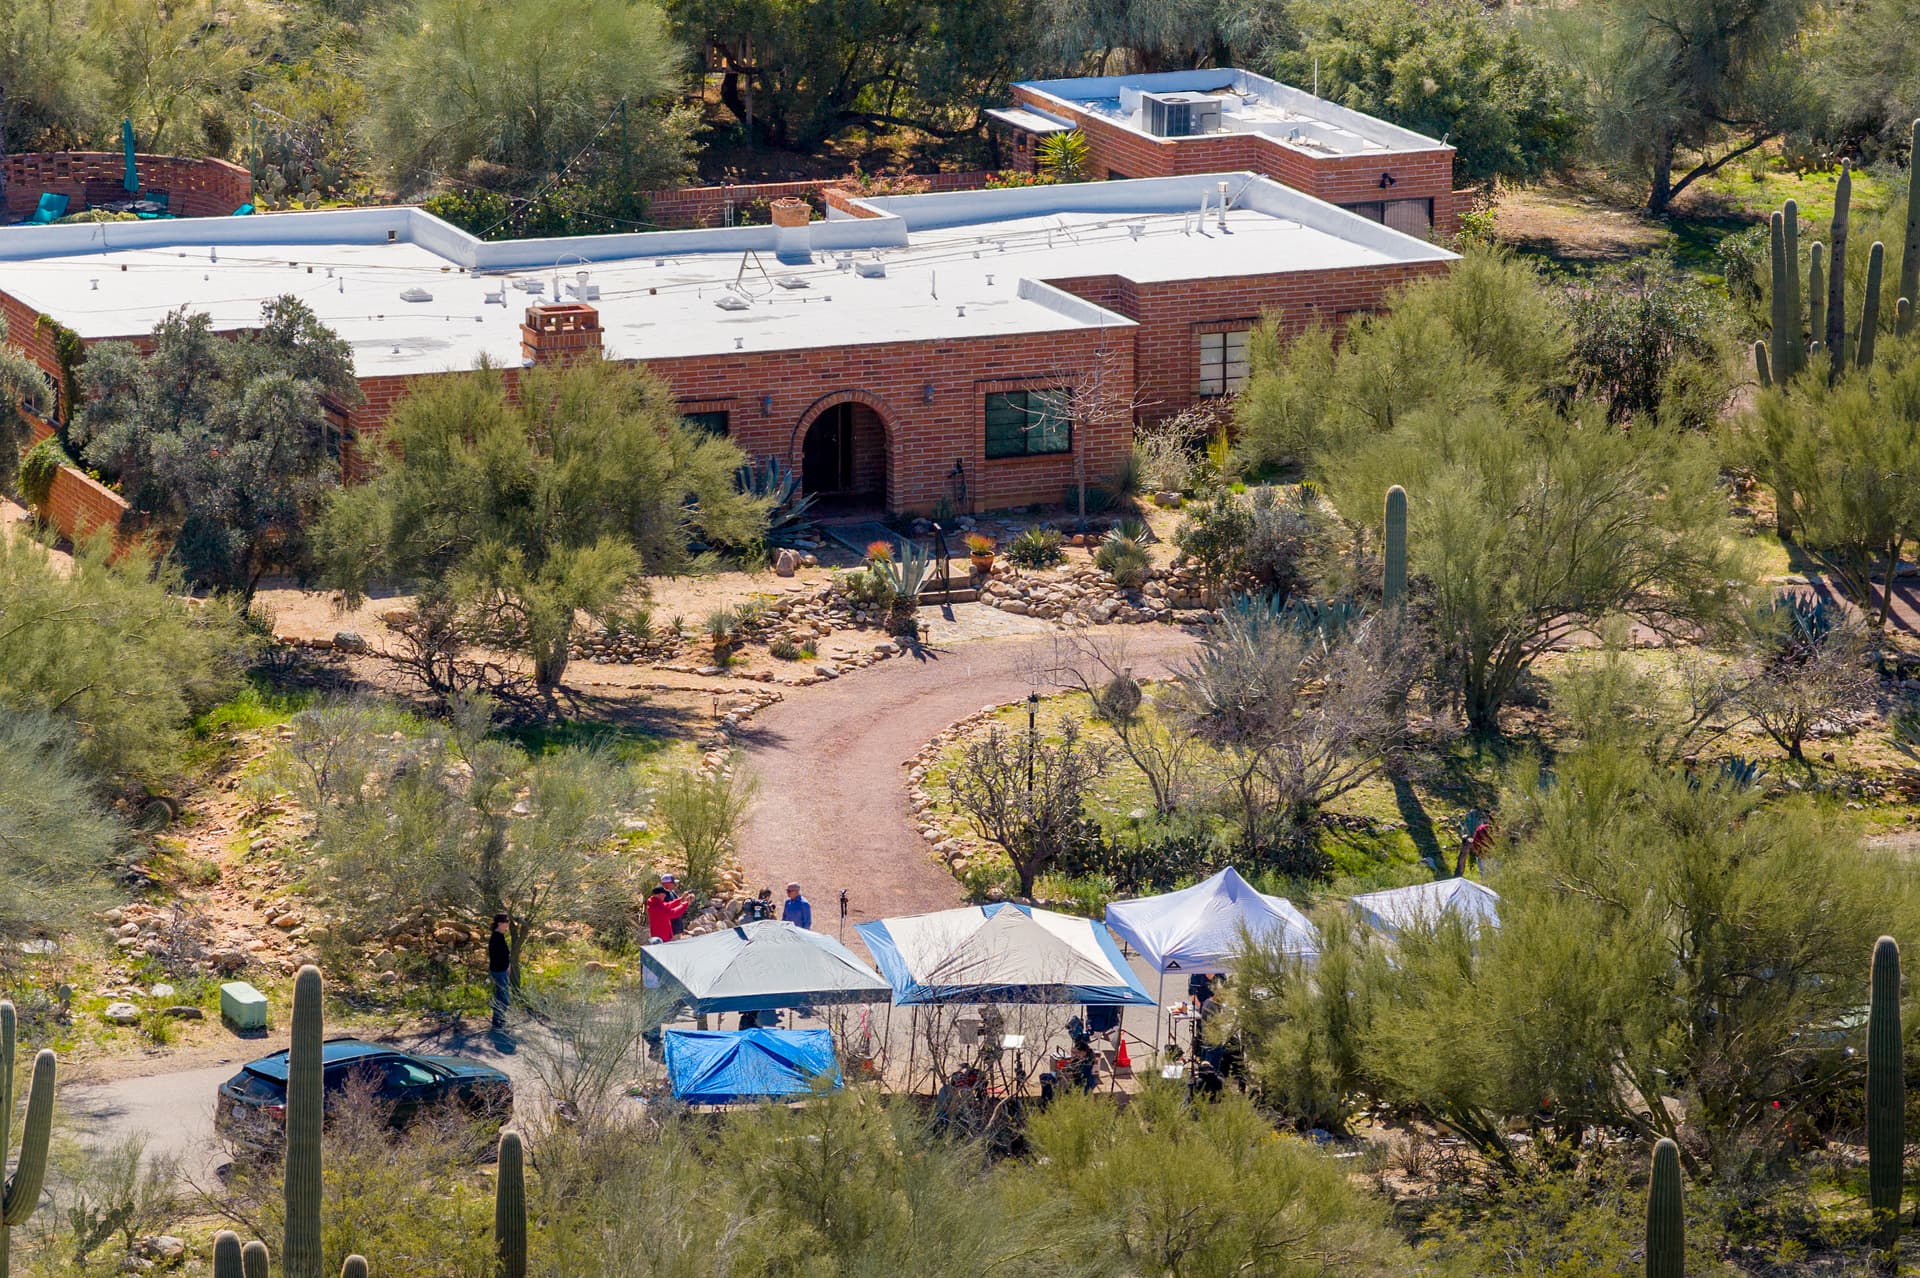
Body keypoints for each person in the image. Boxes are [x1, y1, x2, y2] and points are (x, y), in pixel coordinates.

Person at [488, 914, 511, 1029]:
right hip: (499, 971)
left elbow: (504, 955)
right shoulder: (496, 937)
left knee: (500, 995)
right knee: (504, 997)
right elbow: (498, 956)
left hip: (500, 970)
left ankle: (498, 1020)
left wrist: (508, 965)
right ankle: (499, 1020)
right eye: (506, 922)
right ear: (500, 923)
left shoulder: (499, 936)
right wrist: (506, 966)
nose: (508, 924)